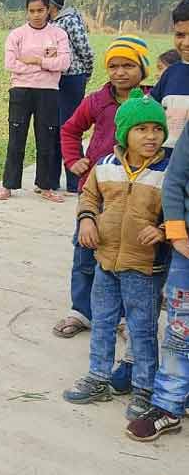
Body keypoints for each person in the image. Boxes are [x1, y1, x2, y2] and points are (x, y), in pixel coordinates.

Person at [62, 93, 169, 419]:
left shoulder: (169, 171)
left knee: (141, 327)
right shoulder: (105, 166)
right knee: (104, 322)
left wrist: (163, 230)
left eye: (156, 129)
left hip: (144, 266)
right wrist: (87, 220)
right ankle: (98, 377)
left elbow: (183, 209)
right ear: (124, 133)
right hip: (105, 261)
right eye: (141, 129)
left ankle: (143, 389)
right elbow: (89, 197)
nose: (150, 136)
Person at [53, 37, 151, 340]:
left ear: (143, 69)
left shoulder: (151, 101)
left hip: (136, 192)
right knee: (85, 251)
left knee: (127, 253)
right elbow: (70, 129)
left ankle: (122, 316)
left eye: (128, 65)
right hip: (96, 191)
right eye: (113, 66)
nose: (120, 72)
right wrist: (74, 160)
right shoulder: (97, 100)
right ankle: (82, 311)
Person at [126, 103, 189, 441]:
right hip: (186, 248)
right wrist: (176, 230)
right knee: (181, 329)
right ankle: (168, 404)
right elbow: (176, 179)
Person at [0, 0, 71, 202]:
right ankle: (8, 186)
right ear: (26, 12)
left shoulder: (58, 35)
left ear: (48, 10)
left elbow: (64, 64)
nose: (36, 15)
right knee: (16, 139)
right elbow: (11, 65)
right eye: (32, 11)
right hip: (20, 91)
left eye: (41, 10)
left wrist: (35, 61)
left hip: (48, 93)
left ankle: (45, 186)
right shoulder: (16, 35)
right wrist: (46, 67)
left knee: (46, 139)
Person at [43, 0, 94, 194]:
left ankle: (75, 183)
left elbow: (85, 50)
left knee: (69, 128)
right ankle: (51, 180)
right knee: (53, 128)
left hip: (72, 79)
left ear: (52, 4)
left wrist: (85, 74)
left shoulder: (70, 21)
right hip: (54, 81)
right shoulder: (49, 24)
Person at [151, 0, 189, 154]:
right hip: (165, 170)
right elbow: (148, 113)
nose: (186, 43)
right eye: (180, 35)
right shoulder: (171, 74)